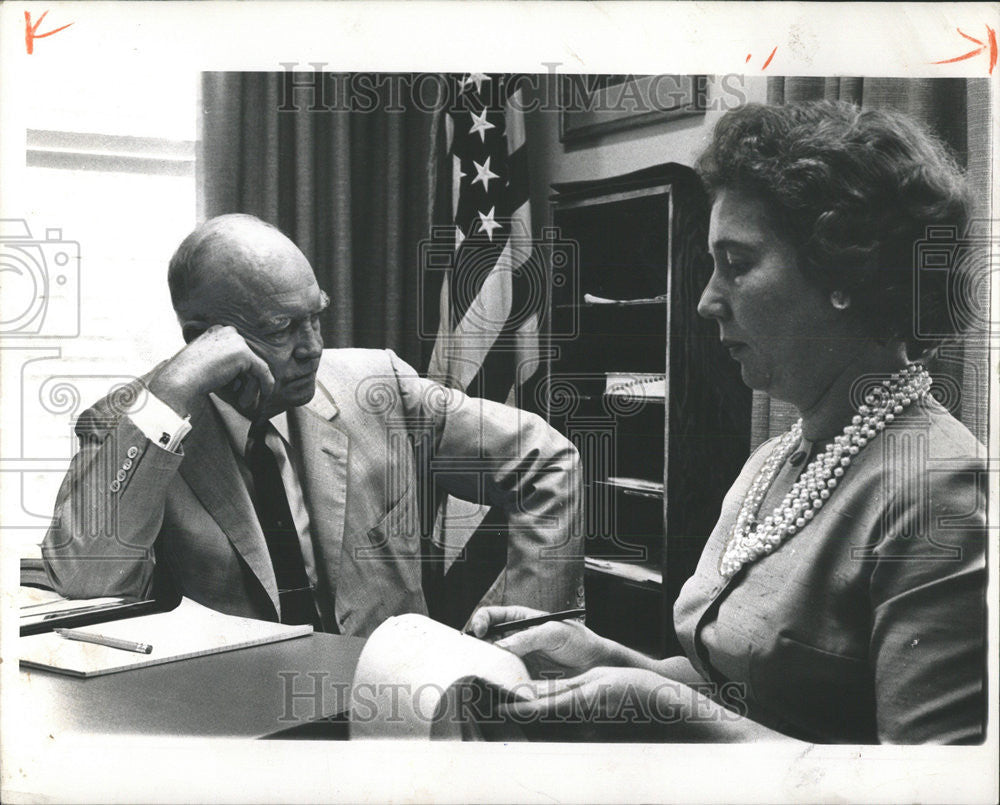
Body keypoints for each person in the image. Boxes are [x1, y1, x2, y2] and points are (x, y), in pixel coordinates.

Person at [471, 100, 987, 744]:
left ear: (842, 273)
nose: (706, 300)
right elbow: (737, 690)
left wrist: (672, 715)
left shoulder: (939, 487)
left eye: (737, 264)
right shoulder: (771, 461)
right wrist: (603, 657)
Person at [43, 214, 583, 638]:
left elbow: (548, 462)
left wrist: (520, 638)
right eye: (282, 328)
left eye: (316, 316)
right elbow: (83, 586)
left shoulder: (379, 388)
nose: (313, 348)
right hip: (241, 738)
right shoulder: (130, 425)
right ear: (201, 338)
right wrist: (172, 392)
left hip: (390, 716)